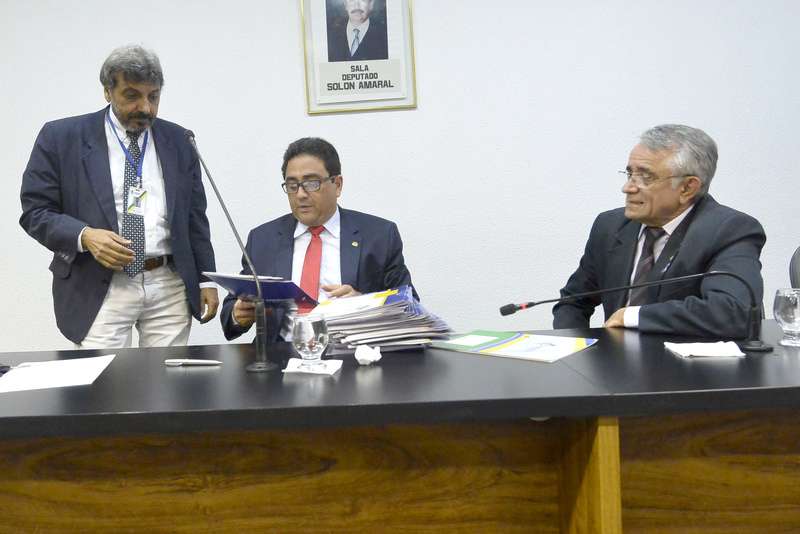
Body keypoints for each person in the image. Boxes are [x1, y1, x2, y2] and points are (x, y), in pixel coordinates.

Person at [20, 44, 218, 348]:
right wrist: (85, 236)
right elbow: (35, 211)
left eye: (153, 96)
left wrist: (206, 278)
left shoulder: (179, 140)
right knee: (104, 376)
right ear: (107, 91)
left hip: (168, 284)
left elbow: (195, 218)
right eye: (132, 95)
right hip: (100, 283)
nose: (145, 108)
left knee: (167, 376)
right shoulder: (61, 138)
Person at [553, 124, 766, 339]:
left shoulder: (729, 230)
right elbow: (572, 302)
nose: (627, 188)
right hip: (615, 357)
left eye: (646, 177)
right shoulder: (609, 225)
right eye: (629, 174)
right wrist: (576, 349)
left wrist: (632, 316)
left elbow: (733, 312)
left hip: (683, 359)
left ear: (687, 188)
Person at [221, 137, 416, 342]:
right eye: (292, 185)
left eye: (311, 183)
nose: (300, 194)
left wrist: (363, 305)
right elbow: (230, 316)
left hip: (351, 351)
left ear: (337, 185)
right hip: (280, 354)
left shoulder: (378, 235)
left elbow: (410, 307)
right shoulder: (263, 239)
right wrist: (238, 314)